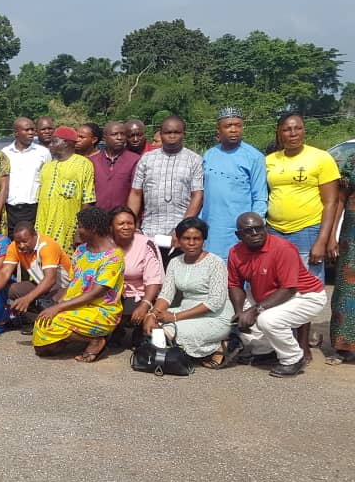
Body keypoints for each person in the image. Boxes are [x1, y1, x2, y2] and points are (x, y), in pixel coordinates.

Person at [227, 213, 328, 377]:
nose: (255, 233)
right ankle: (266, 352)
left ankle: (293, 358)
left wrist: (255, 310)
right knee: (239, 316)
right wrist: (240, 312)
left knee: (268, 320)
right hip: (269, 295)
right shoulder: (235, 252)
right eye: (248, 231)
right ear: (239, 235)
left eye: (259, 228)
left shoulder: (282, 248)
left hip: (306, 295)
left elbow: (288, 289)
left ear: (265, 228)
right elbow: (234, 284)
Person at [32, 206, 124, 363]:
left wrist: (58, 308)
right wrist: (59, 300)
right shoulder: (81, 250)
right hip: (76, 306)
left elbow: (94, 293)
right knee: (43, 342)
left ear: (93, 228)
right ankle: (78, 337)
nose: (77, 230)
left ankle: (95, 341)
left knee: (52, 324)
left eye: (80, 226)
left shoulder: (113, 258)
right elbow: (74, 282)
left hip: (101, 311)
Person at [143, 218, 234, 367]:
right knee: (152, 325)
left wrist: (175, 316)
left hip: (216, 316)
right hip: (186, 310)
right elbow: (166, 294)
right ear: (178, 240)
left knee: (168, 332)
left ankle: (219, 346)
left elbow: (215, 302)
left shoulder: (216, 262)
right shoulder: (174, 262)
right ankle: (202, 349)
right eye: (186, 238)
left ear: (203, 240)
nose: (191, 243)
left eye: (196, 239)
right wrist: (152, 314)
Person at [264, 112, 341, 283]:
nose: (293, 133)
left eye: (298, 128)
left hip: (307, 230)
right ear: (279, 132)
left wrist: (322, 240)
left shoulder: (321, 158)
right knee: (279, 282)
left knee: (307, 286)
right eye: (287, 129)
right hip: (274, 231)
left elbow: (331, 202)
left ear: (304, 130)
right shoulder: (269, 161)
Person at [199, 107, 268, 260]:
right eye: (228, 126)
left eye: (238, 125)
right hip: (211, 229)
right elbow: (201, 193)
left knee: (238, 274)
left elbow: (260, 197)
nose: (234, 130)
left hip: (239, 230)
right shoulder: (209, 155)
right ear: (218, 130)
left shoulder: (254, 157)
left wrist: (253, 229)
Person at [127, 116, 204, 254]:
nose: (172, 136)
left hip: (181, 235)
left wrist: (182, 229)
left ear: (183, 134)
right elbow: (136, 193)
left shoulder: (194, 160)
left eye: (177, 132)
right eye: (168, 132)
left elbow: (197, 195)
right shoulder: (147, 159)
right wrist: (131, 224)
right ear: (160, 134)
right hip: (149, 230)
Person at [0, 222, 72, 334]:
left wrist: (28, 298)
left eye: (25, 241)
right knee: (11, 290)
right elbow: (5, 272)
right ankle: (36, 322)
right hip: (43, 285)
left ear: (34, 236)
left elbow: (50, 279)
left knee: (47, 302)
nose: (21, 245)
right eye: (18, 242)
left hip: (65, 287)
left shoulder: (47, 245)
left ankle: (57, 327)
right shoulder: (13, 246)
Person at [34, 125, 96, 253]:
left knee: (67, 267)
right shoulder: (47, 167)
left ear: (67, 143)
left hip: (68, 229)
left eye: (54, 141)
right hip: (43, 227)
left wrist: (80, 230)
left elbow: (88, 199)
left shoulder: (83, 164)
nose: (50, 145)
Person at [109, 206, 163, 347]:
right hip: (110, 291)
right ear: (111, 226)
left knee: (136, 311)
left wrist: (145, 304)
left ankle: (139, 331)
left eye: (130, 223)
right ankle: (114, 331)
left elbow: (154, 279)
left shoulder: (146, 243)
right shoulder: (105, 243)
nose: (126, 227)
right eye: (121, 224)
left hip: (139, 293)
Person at [1, 117, 51, 233]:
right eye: (27, 130)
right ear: (16, 133)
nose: (31, 133)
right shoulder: (5, 153)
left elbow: (47, 180)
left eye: (32, 130)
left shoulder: (43, 153)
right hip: (9, 209)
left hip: (32, 208)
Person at [330, 152, 355, 361]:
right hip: (352, 238)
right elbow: (339, 200)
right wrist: (331, 236)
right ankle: (343, 346)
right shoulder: (352, 162)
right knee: (348, 290)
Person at [90, 122, 140, 211]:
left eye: (122, 134)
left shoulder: (134, 160)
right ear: (104, 138)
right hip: (97, 218)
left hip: (122, 218)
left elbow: (136, 193)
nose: (119, 138)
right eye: (114, 134)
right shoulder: (92, 161)